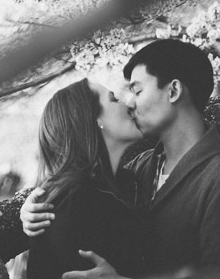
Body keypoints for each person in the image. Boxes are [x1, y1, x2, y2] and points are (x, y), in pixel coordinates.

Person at [21, 39, 220, 278]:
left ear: (173, 91)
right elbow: (85, 186)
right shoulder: (140, 168)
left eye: (137, 90)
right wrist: (36, 203)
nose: (129, 103)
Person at [26, 78, 144, 278]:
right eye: (114, 99)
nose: (129, 104)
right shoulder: (79, 203)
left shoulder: (123, 184)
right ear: (94, 120)